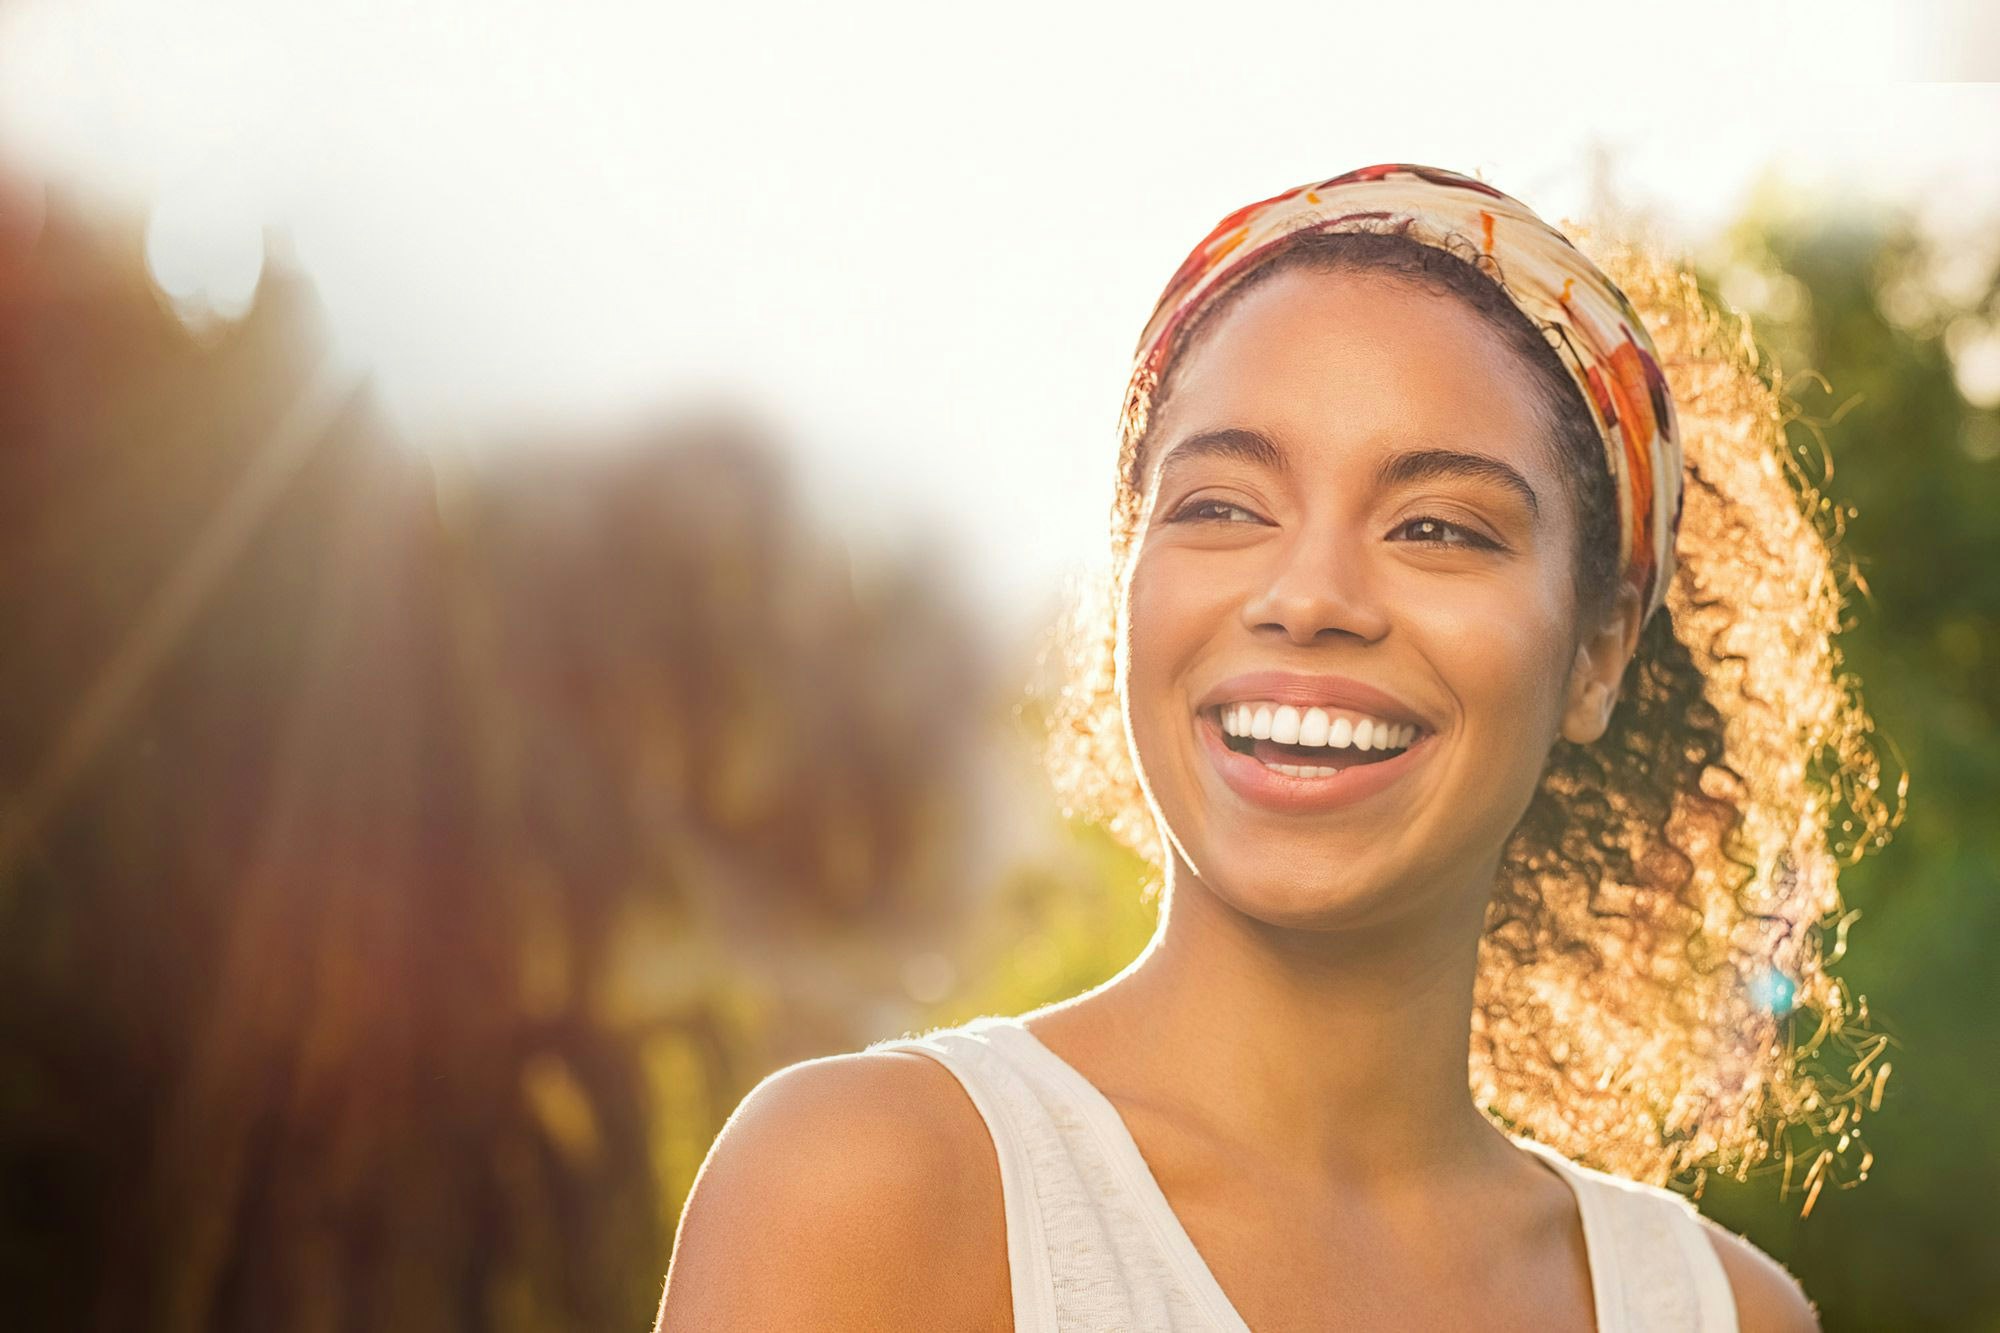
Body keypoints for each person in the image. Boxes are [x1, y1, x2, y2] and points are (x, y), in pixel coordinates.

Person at [659, 163, 1896, 1330]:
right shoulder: (865, 1186)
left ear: (1596, 653)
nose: (1307, 595)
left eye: (1437, 527)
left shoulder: (1715, 1311)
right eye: (1220, 507)